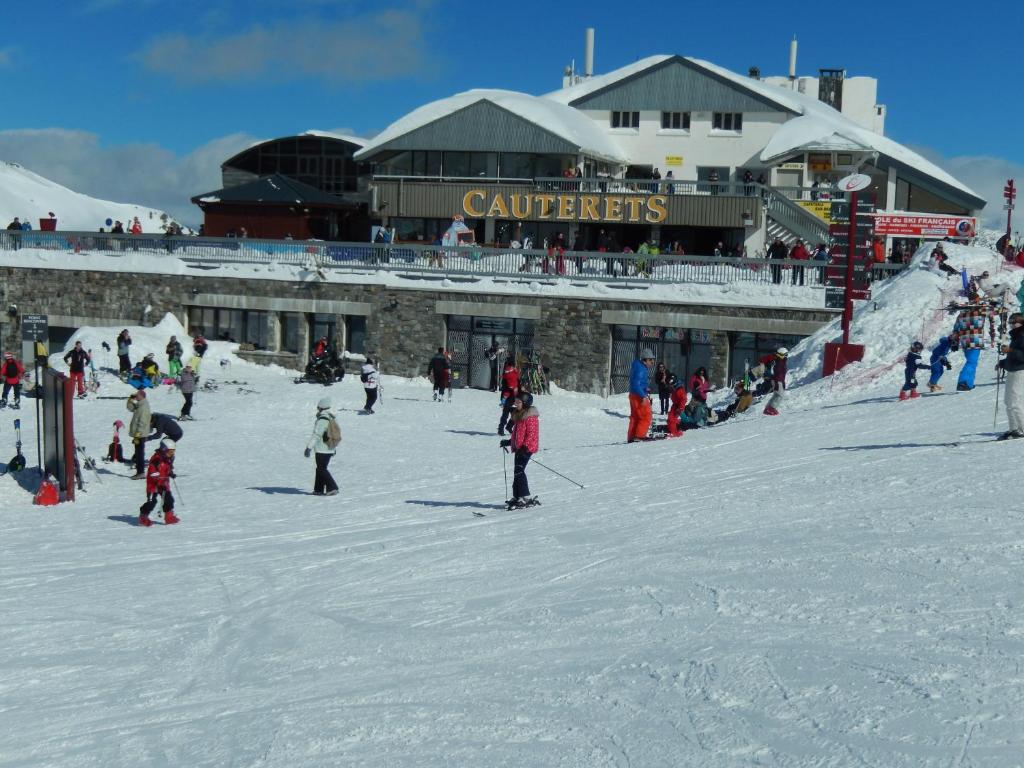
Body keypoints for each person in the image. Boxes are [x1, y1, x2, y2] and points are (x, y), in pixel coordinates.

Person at [500, 393, 540, 509]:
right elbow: (517, 435)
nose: (516, 404)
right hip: (519, 448)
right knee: (517, 472)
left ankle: (525, 497)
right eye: (515, 402)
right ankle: (517, 496)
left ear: (525, 403)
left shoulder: (530, 416)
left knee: (519, 471)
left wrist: (525, 447)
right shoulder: (519, 415)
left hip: (527, 448)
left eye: (518, 402)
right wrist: (508, 442)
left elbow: (532, 434)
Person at [950, 297, 994, 391]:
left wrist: (954, 342)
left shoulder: (961, 315)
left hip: (965, 342)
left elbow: (955, 330)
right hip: (975, 341)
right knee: (971, 362)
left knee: (972, 362)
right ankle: (963, 382)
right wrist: (997, 305)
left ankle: (969, 384)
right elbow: (994, 312)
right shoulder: (980, 311)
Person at [138, 438, 179, 527]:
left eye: (173, 452)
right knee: (152, 501)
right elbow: (153, 473)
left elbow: (167, 468)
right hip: (153, 484)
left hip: (163, 483)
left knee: (169, 499)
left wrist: (170, 473)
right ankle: (143, 517)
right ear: (164, 449)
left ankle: (169, 516)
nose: (171, 454)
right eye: (170, 451)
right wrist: (158, 478)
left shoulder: (168, 458)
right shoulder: (156, 459)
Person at [996, 312, 1024, 440]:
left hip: (1020, 371)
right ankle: (1014, 428)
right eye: (1010, 322)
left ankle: (1022, 428)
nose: (1012, 325)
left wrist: (1011, 351)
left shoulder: (1022, 336)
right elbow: (1013, 356)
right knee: (1008, 401)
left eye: (1014, 322)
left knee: (1015, 401)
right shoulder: (1016, 336)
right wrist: (1003, 363)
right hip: (1012, 370)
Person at [304, 397, 340, 495]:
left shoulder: (322, 420)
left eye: (318, 407)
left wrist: (309, 447)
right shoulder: (331, 417)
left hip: (322, 449)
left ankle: (332, 487)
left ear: (321, 407)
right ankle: (318, 490)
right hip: (329, 448)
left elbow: (317, 435)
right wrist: (334, 448)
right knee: (320, 468)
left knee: (321, 469)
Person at [627, 349, 655, 442]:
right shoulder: (641, 369)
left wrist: (645, 388)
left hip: (633, 394)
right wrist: (643, 396)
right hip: (639, 396)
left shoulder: (638, 366)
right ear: (645, 360)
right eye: (650, 360)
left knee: (635, 417)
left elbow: (637, 382)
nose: (652, 362)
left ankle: (631, 437)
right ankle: (639, 436)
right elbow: (636, 383)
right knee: (646, 415)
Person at [126, 389, 152, 479]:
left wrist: (137, 435)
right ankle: (140, 472)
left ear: (142, 396)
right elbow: (130, 408)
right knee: (138, 452)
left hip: (141, 435)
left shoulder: (144, 407)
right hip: (138, 434)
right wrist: (130, 399)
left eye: (137, 395)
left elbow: (142, 422)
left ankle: (140, 472)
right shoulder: (140, 405)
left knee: (139, 453)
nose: (136, 396)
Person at [762, 347, 788, 415]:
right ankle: (771, 408)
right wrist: (776, 382)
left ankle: (768, 408)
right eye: (784, 355)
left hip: (779, 380)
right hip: (778, 380)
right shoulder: (779, 362)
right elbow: (778, 373)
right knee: (779, 395)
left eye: (786, 355)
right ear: (780, 355)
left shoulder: (781, 361)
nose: (785, 356)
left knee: (777, 395)